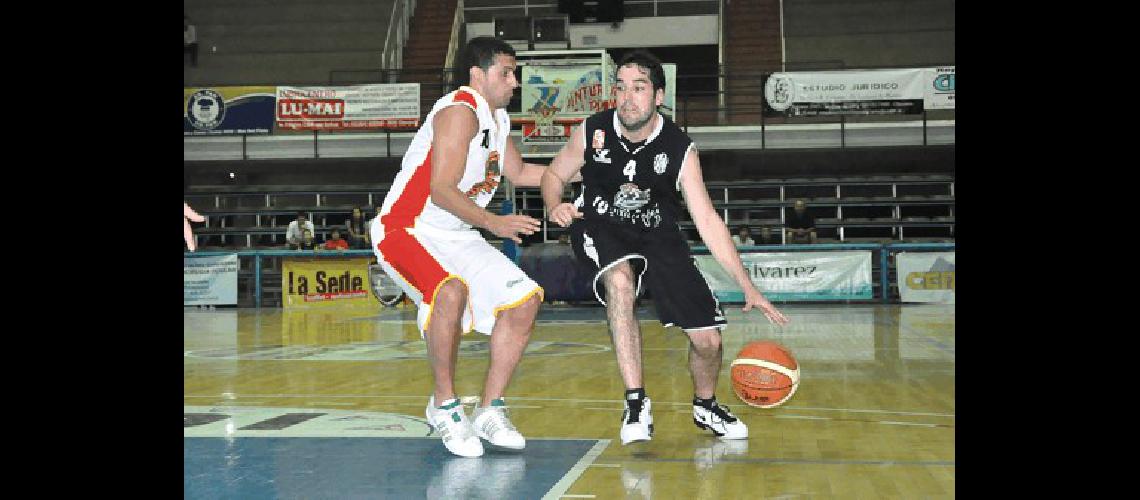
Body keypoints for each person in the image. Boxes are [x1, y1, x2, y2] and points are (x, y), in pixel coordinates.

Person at [541, 49, 790, 446]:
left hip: (659, 235)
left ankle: (706, 405)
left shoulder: (679, 148)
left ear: (658, 96)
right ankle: (636, 402)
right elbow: (554, 173)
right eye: (620, 88)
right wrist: (555, 204)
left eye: (638, 88)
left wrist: (747, 286)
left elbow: (707, 220)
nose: (627, 97)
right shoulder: (593, 131)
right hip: (599, 225)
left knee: (708, 341)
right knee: (619, 283)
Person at [371, 37, 579, 458]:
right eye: (506, 72)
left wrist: (584, 170)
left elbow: (520, 172)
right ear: (477, 75)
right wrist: (494, 223)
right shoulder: (458, 112)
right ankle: (445, 406)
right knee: (449, 292)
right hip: (407, 230)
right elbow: (443, 190)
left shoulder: (497, 119)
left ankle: (489, 409)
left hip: (455, 233)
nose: (514, 81)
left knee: (524, 301)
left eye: (514, 72)